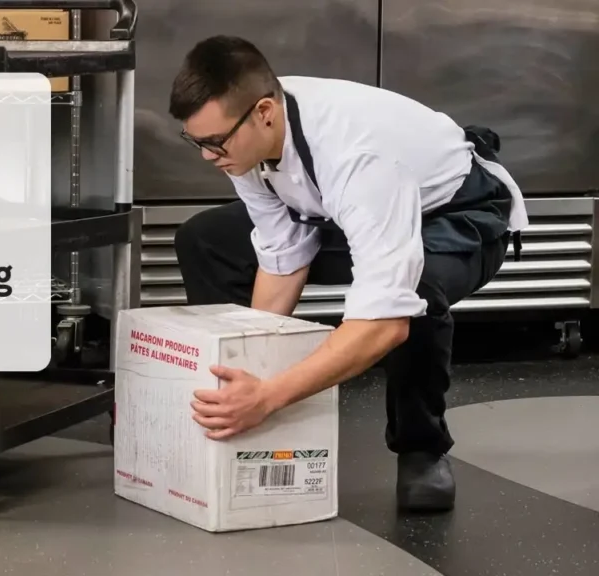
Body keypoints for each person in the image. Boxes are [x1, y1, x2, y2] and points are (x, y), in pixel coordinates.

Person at [169, 36, 528, 512]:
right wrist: (249, 371)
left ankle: (421, 449)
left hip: (458, 215)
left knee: (413, 293)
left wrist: (273, 395)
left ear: (264, 113)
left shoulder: (356, 155)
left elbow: (384, 320)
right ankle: (224, 396)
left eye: (214, 143)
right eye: (197, 142)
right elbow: (283, 254)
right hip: (341, 210)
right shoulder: (241, 138)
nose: (207, 157)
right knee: (206, 240)